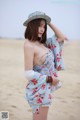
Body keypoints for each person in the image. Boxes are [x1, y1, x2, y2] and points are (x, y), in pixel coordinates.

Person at [23, 11, 68, 120]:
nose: (42, 29)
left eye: (44, 26)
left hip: (46, 89)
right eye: (39, 25)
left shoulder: (43, 43)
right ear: (31, 26)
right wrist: (50, 79)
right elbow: (28, 73)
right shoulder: (29, 45)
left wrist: (49, 22)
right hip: (39, 91)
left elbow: (62, 37)